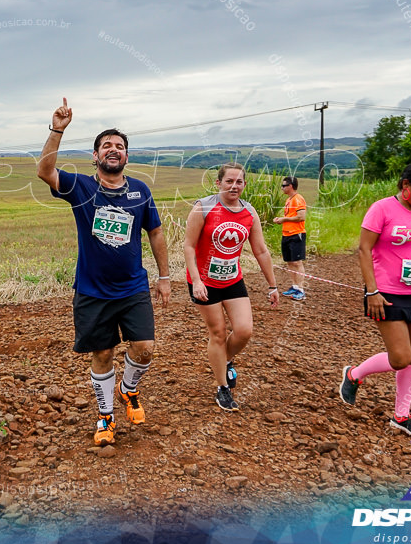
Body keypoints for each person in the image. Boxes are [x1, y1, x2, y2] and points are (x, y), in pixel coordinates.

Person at [37, 98, 170, 446]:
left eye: (120, 146)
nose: (114, 149)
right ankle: (105, 416)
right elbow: (45, 172)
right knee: (103, 354)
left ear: (127, 156)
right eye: (106, 146)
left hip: (133, 288)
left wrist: (165, 276)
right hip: (93, 290)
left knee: (144, 347)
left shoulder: (140, 191)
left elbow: (155, 231)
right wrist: (57, 130)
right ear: (95, 157)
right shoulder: (81, 188)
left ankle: (129, 390)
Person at [338, 161, 411, 437]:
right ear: (405, 185)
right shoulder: (381, 209)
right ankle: (355, 374)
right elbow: (364, 250)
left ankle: (401, 416)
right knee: (400, 358)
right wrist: (372, 291)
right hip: (385, 293)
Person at [184, 162, 280, 412]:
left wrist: (272, 285)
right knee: (217, 332)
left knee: (244, 331)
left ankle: (223, 361)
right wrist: (196, 281)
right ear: (219, 183)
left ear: (244, 185)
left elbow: (260, 250)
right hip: (205, 282)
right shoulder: (203, 207)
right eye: (229, 181)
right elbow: (189, 247)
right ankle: (222, 387)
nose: (234, 186)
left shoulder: (249, 212)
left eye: (239, 182)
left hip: (232, 279)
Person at [273, 175, 307, 300]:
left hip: (296, 234)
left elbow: (301, 217)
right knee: (290, 261)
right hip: (286, 234)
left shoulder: (298, 199)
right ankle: (294, 286)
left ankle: (301, 289)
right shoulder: (289, 200)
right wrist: (282, 220)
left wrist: (284, 219)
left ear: (290, 186)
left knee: (297, 262)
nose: (282, 188)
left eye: (284, 185)